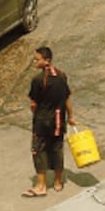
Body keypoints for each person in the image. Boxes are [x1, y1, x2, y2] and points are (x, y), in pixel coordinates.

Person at [25, 46, 75, 196]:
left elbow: (33, 103)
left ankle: (41, 186)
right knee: (57, 149)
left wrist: (36, 114)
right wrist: (71, 116)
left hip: (42, 123)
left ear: (47, 60)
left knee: (38, 151)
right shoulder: (62, 76)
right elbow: (67, 98)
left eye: (37, 59)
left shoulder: (38, 80)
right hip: (59, 121)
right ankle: (58, 182)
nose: (34, 61)